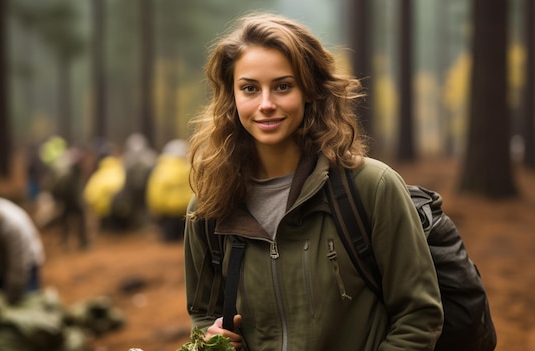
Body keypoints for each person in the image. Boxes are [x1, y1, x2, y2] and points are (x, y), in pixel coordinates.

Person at [183, 13, 444, 350]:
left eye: (282, 86)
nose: (266, 104)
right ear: (231, 97)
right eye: (249, 88)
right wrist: (211, 341)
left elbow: (419, 316)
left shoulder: (371, 188)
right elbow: (203, 314)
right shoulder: (210, 207)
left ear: (309, 90)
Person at [145, 139, 192, 242]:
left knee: (169, 241)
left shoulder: (161, 170)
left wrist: (156, 209)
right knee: (185, 241)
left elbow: (155, 192)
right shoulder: (190, 169)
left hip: (168, 213)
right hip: (187, 212)